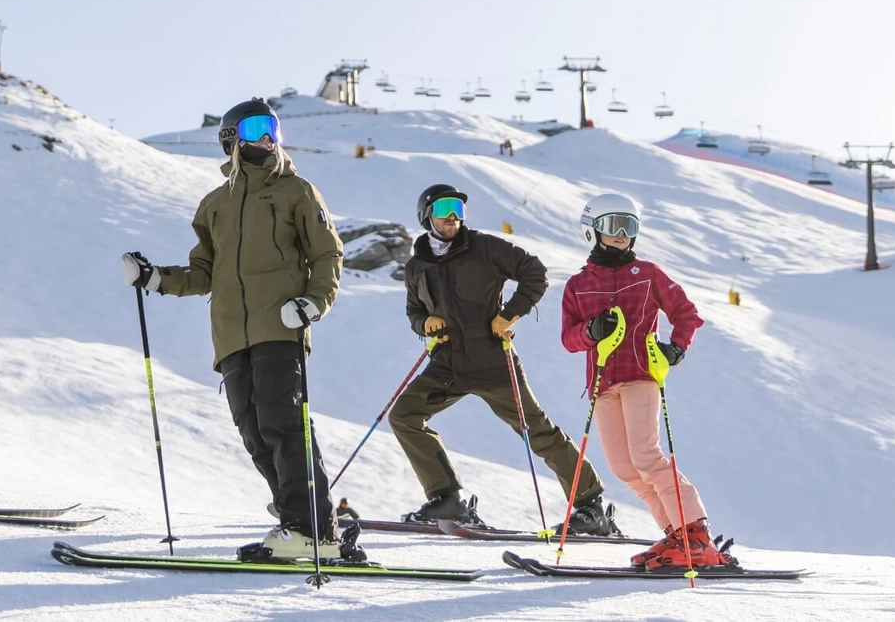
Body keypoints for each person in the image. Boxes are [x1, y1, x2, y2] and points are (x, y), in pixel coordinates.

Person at [122, 98, 351, 559]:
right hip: (230, 335)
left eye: (273, 128)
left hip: (281, 324)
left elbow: (328, 253)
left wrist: (313, 303)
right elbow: (203, 272)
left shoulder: (296, 191)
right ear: (230, 139)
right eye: (255, 128)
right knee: (254, 430)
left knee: (283, 422)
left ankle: (314, 531)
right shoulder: (214, 205)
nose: (267, 137)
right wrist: (155, 279)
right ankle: (294, 524)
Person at [390, 184, 617, 535]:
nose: (453, 218)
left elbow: (535, 272)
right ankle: (447, 499)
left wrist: (509, 314)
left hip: (492, 362)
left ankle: (591, 507)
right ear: (426, 216)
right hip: (447, 365)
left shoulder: (485, 248)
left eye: (459, 210)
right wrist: (425, 323)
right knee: (404, 416)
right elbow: (414, 311)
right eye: (445, 209)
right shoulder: (416, 266)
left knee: (537, 430)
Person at [560, 192, 737, 569]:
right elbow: (569, 339)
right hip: (602, 384)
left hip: (640, 375)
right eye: (613, 225)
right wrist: (591, 331)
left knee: (646, 456)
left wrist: (676, 348)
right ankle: (677, 535)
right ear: (591, 230)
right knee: (624, 467)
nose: (622, 234)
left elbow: (686, 313)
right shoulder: (577, 285)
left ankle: (695, 534)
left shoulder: (648, 274)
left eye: (630, 226)